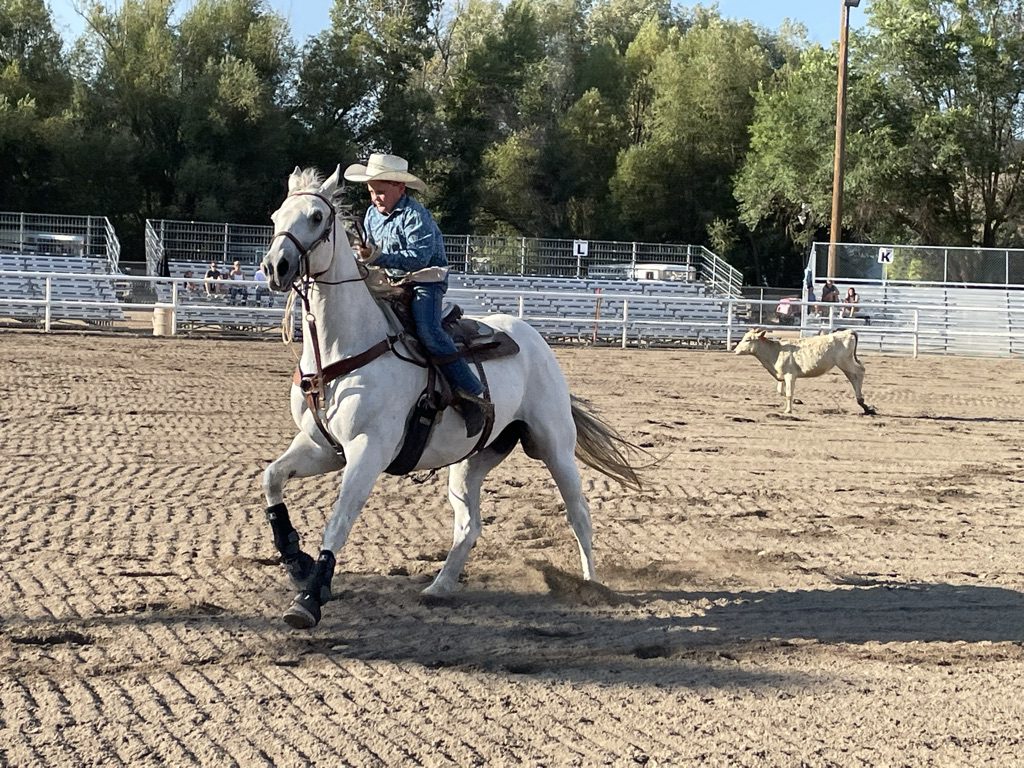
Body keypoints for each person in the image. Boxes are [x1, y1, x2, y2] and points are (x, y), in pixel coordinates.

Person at [343, 153, 491, 437]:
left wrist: (378, 256)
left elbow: (420, 258)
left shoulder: (416, 216)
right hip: (390, 279)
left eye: (381, 192)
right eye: (372, 192)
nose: (375, 198)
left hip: (426, 281)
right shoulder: (372, 214)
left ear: (400, 188)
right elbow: (373, 251)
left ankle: (474, 394)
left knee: (428, 331)